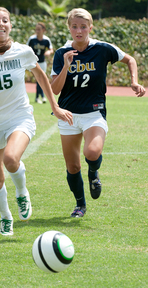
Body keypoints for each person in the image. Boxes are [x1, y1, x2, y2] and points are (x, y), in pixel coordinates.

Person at [0, 7, 73, 236]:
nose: (1, 24)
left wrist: (54, 105)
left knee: (11, 159)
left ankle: (22, 192)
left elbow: (40, 75)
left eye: (5, 20)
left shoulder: (22, 51)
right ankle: (6, 217)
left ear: (10, 26)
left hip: (19, 117)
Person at [51, 8, 146, 218]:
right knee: (73, 166)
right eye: (74, 26)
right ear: (69, 28)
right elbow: (55, 89)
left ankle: (93, 173)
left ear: (90, 28)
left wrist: (134, 81)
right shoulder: (61, 53)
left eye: (83, 26)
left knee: (92, 153)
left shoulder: (102, 49)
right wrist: (66, 66)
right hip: (68, 115)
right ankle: (80, 205)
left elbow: (130, 59)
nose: (79, 30)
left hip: (94, 113)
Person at [27, 22, 54, 104]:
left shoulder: (46, 39)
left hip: (42, 62)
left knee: (41, 79)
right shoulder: (32, 39)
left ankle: (38, 97)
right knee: (38, 79)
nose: (37, 31)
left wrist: (49, 52)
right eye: (36, 29)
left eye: (39, 29)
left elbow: (51, 49)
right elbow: (26, 48)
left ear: (43, 30)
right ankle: (42, 97)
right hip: (33, 63)